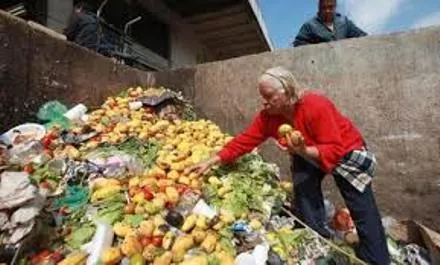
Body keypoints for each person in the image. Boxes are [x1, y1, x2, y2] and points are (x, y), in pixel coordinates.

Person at [186, 67, 390, 265]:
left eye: (269, 96)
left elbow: (334, 148)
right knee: (304, 191)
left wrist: (303, 151)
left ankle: (376, 258)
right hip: (306, 152)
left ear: (288, 91)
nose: (264, 102)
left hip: (344, 153)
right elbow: (246, 140)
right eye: (262, 97)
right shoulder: (269, 117)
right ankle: (318, 240)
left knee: (361, 208)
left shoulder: (316, 105)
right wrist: (214, 160)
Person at [293, 0, 367, 47]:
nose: (327, 10)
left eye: (330, 7)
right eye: (324, 7)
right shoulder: (309, 25)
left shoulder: (344, 22)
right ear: (319, 8)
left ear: (335, 7)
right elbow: (298, 44)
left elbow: (363, 37)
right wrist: (320, 48)